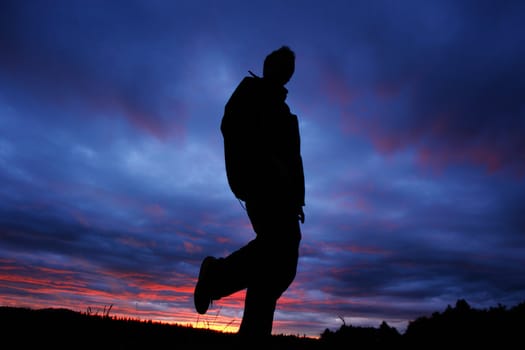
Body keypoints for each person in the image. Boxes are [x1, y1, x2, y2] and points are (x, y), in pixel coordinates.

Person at [194, 46, 305, 341]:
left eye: (289, 68)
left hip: (284, 196)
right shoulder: (252, 94)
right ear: (268, 65)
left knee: (276, 269)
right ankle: (215, 276)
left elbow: (294, 160)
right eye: (280, 65)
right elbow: (232, 127)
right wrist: (265, 161)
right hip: (261, 186)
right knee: (278, 250)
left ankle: (249, 332)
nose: (284, 71)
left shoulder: (283, 111)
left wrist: (297, 199)